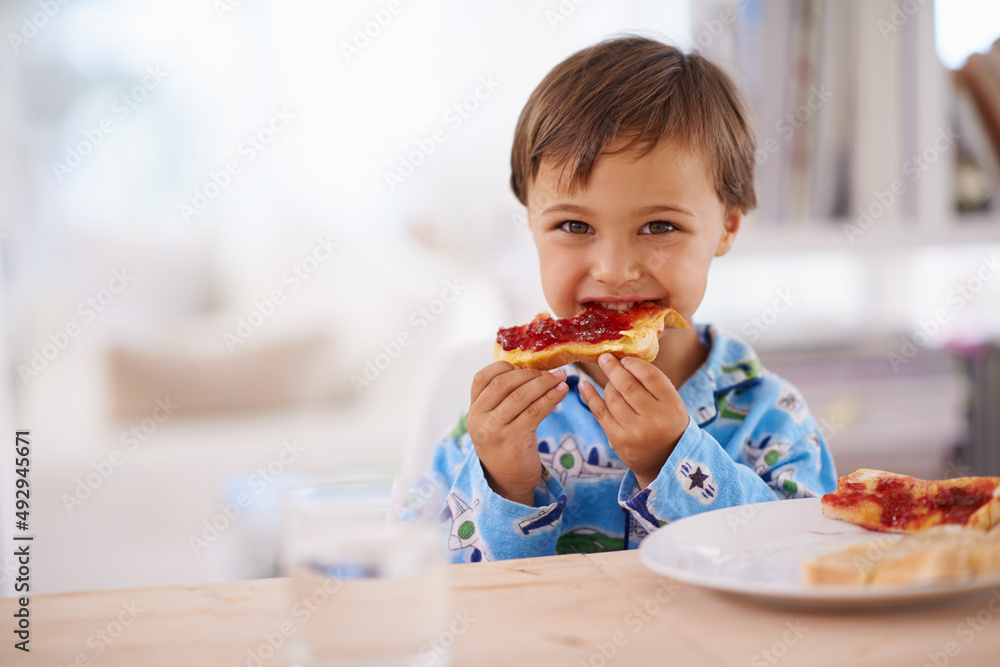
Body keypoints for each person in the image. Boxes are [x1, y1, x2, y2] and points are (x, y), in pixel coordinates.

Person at [427, 36, 837, 563]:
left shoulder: (771, 418)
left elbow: (804, 563)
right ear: (530, 222)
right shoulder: (490, 425)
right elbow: (427, 593)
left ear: (728, 226)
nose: (615, 270)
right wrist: (505, 484)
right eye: (574, 225)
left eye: (659, 226)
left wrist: (677, 461)